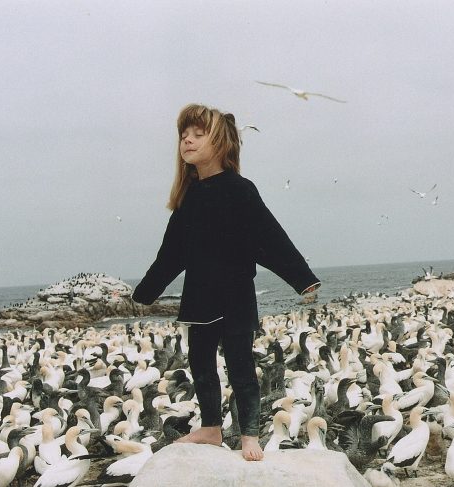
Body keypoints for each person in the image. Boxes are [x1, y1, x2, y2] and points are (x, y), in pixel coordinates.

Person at [132, 103, 320, 461]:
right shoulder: (187, 198)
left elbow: (270, 237)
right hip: (199, 295)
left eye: (197, 135)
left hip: (235, 294)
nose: (187, 140)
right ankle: (212, 427)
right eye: (183, 135)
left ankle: (249, 434)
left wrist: (302, 279)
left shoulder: (240, 189)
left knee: (240, 366)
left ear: (220, 142)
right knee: (201, 365)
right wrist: (145, 293)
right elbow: (172, 253)